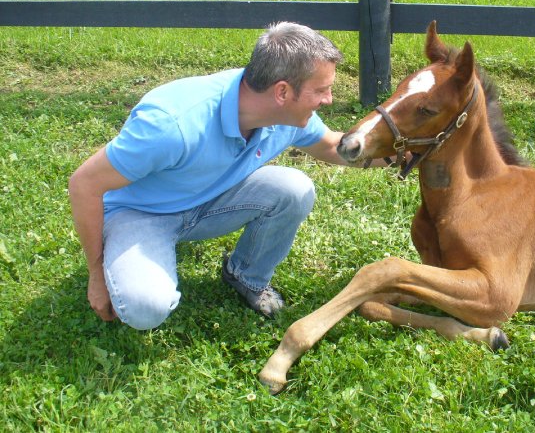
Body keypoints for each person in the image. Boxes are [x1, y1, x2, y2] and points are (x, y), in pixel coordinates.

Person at [68, 22, 381, 330]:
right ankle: (127, 258)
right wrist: (96, 274)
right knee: (144, 309)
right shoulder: (173, 125)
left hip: (209, 201)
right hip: (139, 214)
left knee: (295, 188)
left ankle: (245, 276)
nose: (328, 100)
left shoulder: (284, 116)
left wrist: (404, 152)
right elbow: (84, 184)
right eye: (322, 90)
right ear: (282, 91)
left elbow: (330, 146)